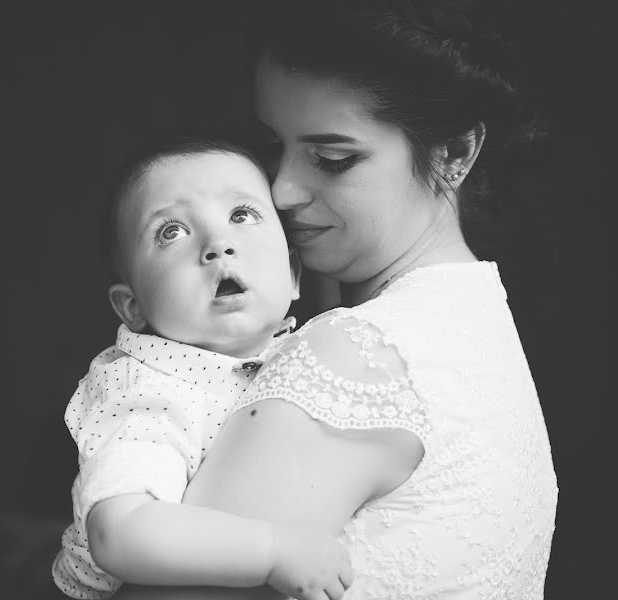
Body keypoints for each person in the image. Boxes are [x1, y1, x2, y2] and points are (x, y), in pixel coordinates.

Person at [114, 1, 558, 599]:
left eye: (332, 159)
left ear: (454, 154)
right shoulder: (479, 325)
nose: (282, 189)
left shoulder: (353, 358)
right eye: (272, 147)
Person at [52, 134, 354, 600]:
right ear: (132, 307)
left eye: (241, 215)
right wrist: (273, 552)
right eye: (171, 231)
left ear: (293, 275)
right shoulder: (144, 389)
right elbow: (121, 532)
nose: (218, 245)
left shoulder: (312, 351)